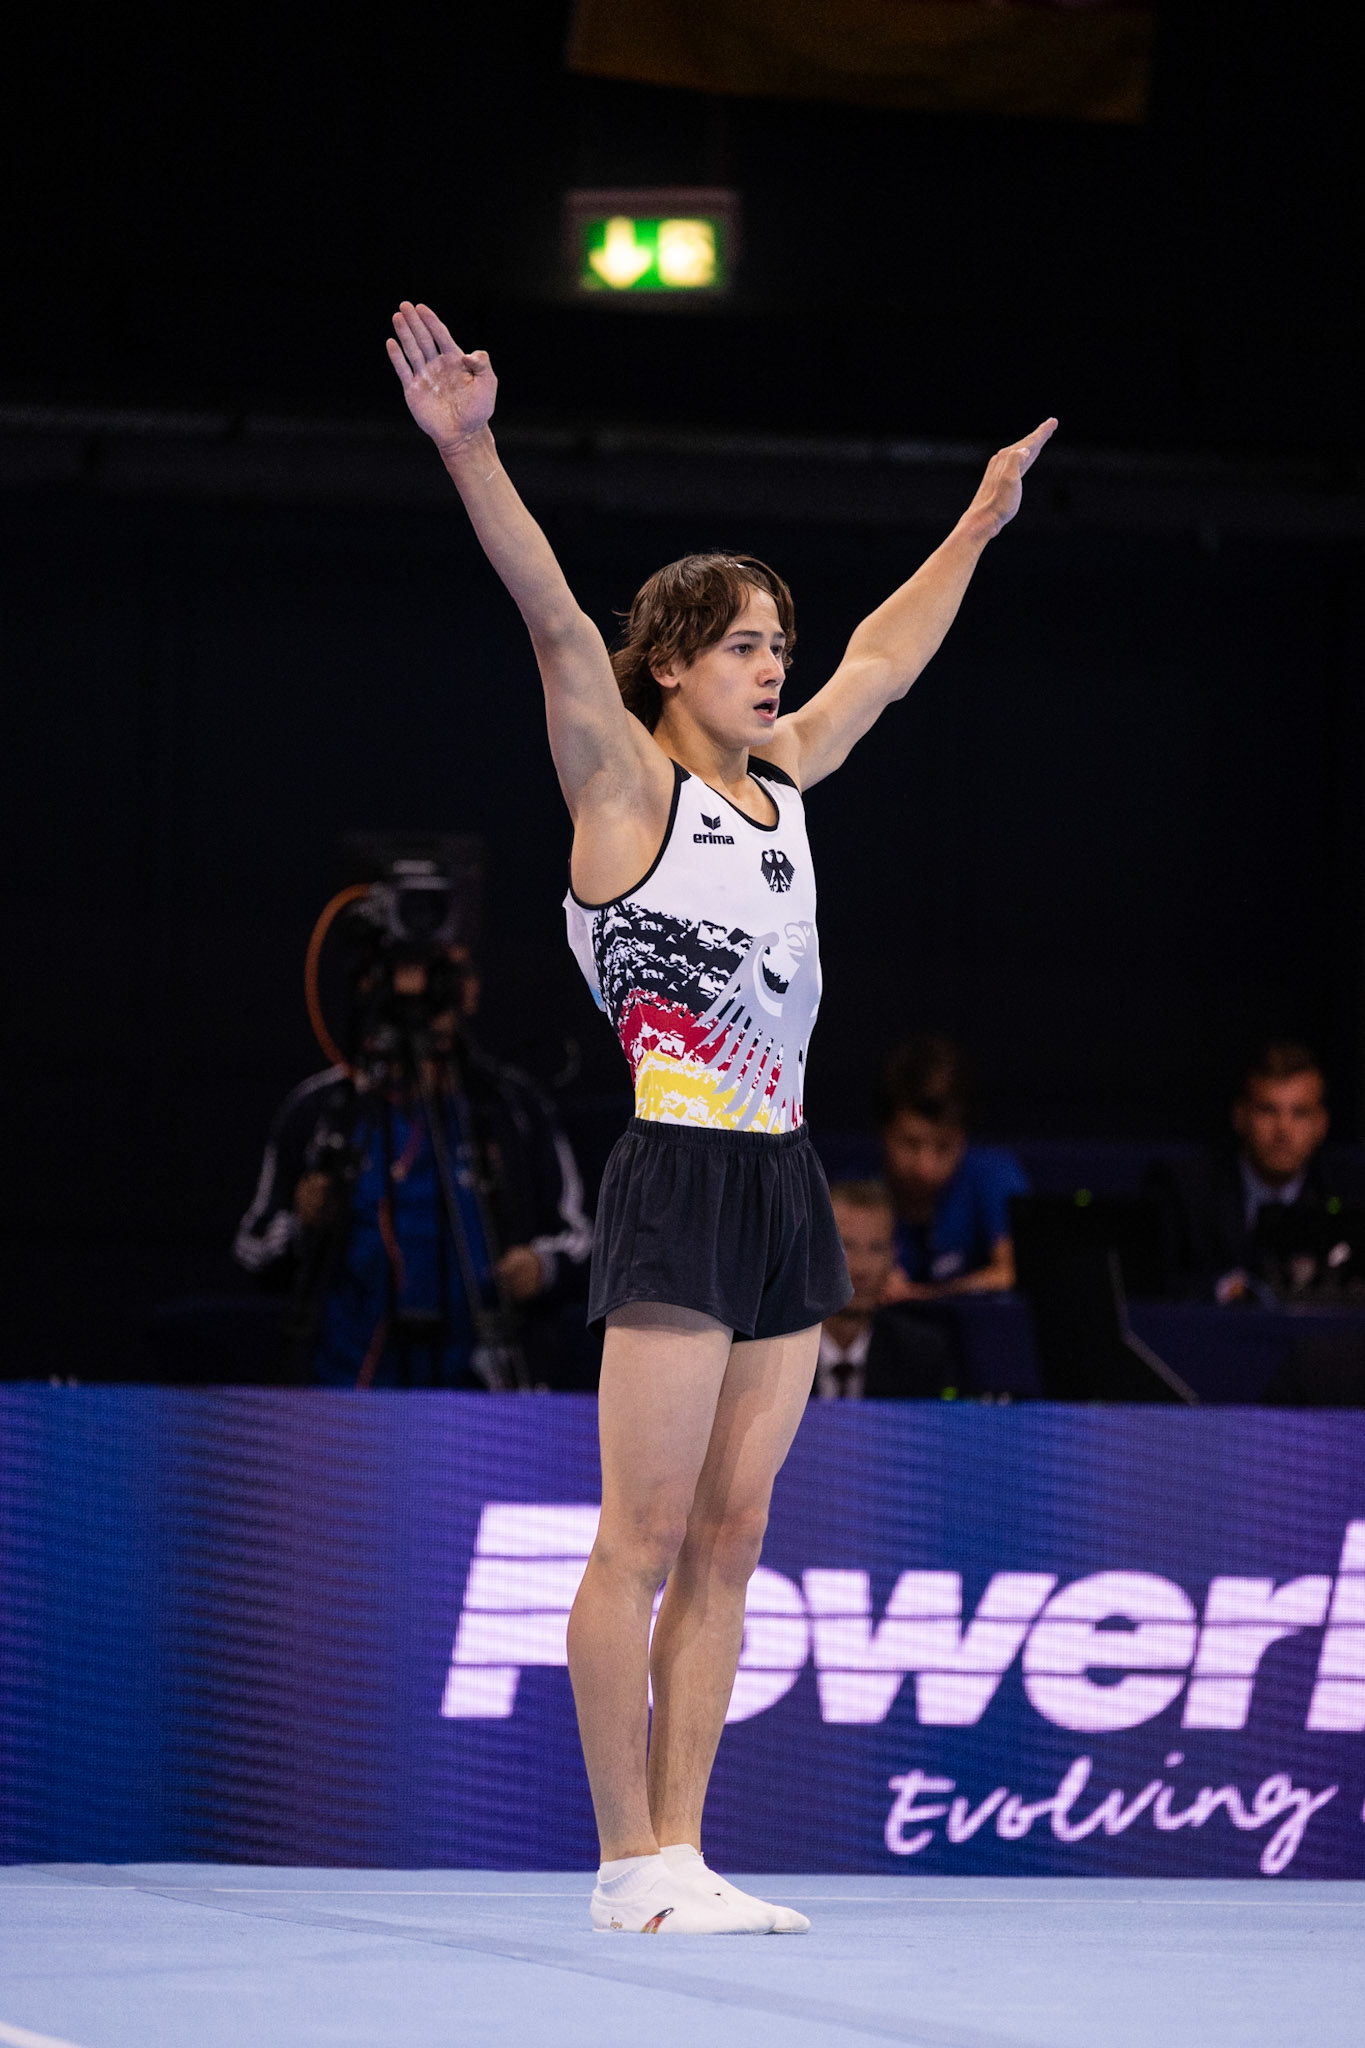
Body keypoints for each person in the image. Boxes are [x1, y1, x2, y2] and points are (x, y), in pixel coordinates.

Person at [387, 297, 1054, 1932]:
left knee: (738, 1530)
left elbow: (886, 661)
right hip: (679, 1158)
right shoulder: (625, 788)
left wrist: (974, 521)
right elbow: (554, 624)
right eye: (748, 642)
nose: (779, 664)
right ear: (676, 662)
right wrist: (473, 452)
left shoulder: (790, 784)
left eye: (780, 640)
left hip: (781, 1174)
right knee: (643, 1527)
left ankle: (686, 1850)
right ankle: (623, 1863)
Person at [234, 946, 593, 1387]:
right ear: (374, 985)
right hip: (344, 1390)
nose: (427, 990)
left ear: (471, 989)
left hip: (484, 1400)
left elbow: (584, 1242)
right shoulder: (324, 1111)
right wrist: (302, 1225)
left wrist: (541, 1266)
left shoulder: (512, 1108)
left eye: (447, 973)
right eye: (412, 969)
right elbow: (253, 1246)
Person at [1149, 1040, 1365, 1303]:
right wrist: (1229, 1290)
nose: (1283, 1130)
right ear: (1240, 1116)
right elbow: (1156, 1290)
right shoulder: (1186, 1189)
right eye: (1267, 1110)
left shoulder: (1351, 1193)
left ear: (1321, 1124)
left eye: (1299, 1113)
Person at [878, 1035, 1029, 1298]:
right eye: (911, 1144)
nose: (924, 1167)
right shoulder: (856, 1194)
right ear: (884, 1132)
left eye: (943, 1147)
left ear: (963, 1137)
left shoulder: (994, 1176)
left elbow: (1013, 1273)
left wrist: (918, 1295)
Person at [816, 1180, 962, 1398]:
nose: (862, 1268)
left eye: (876, 1248)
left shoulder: (923, 1356)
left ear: (894, 1256)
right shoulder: (773, 1354)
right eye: (846, 1246)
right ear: (815, 1251)